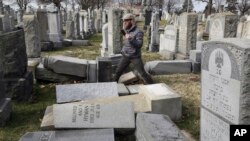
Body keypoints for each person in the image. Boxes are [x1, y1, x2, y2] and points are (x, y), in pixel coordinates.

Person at [113, 13, 153, 84]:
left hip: (135, 56)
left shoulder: (138, 32)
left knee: (142, 73)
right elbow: (126, 43)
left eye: (126, 21)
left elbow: (139, 45)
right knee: (118, 72)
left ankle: (152, 86)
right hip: (126, 55)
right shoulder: (127, 30)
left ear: (132, 21)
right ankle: (112, 87)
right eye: (123, 21)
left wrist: (130, 39)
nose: (124, 22)